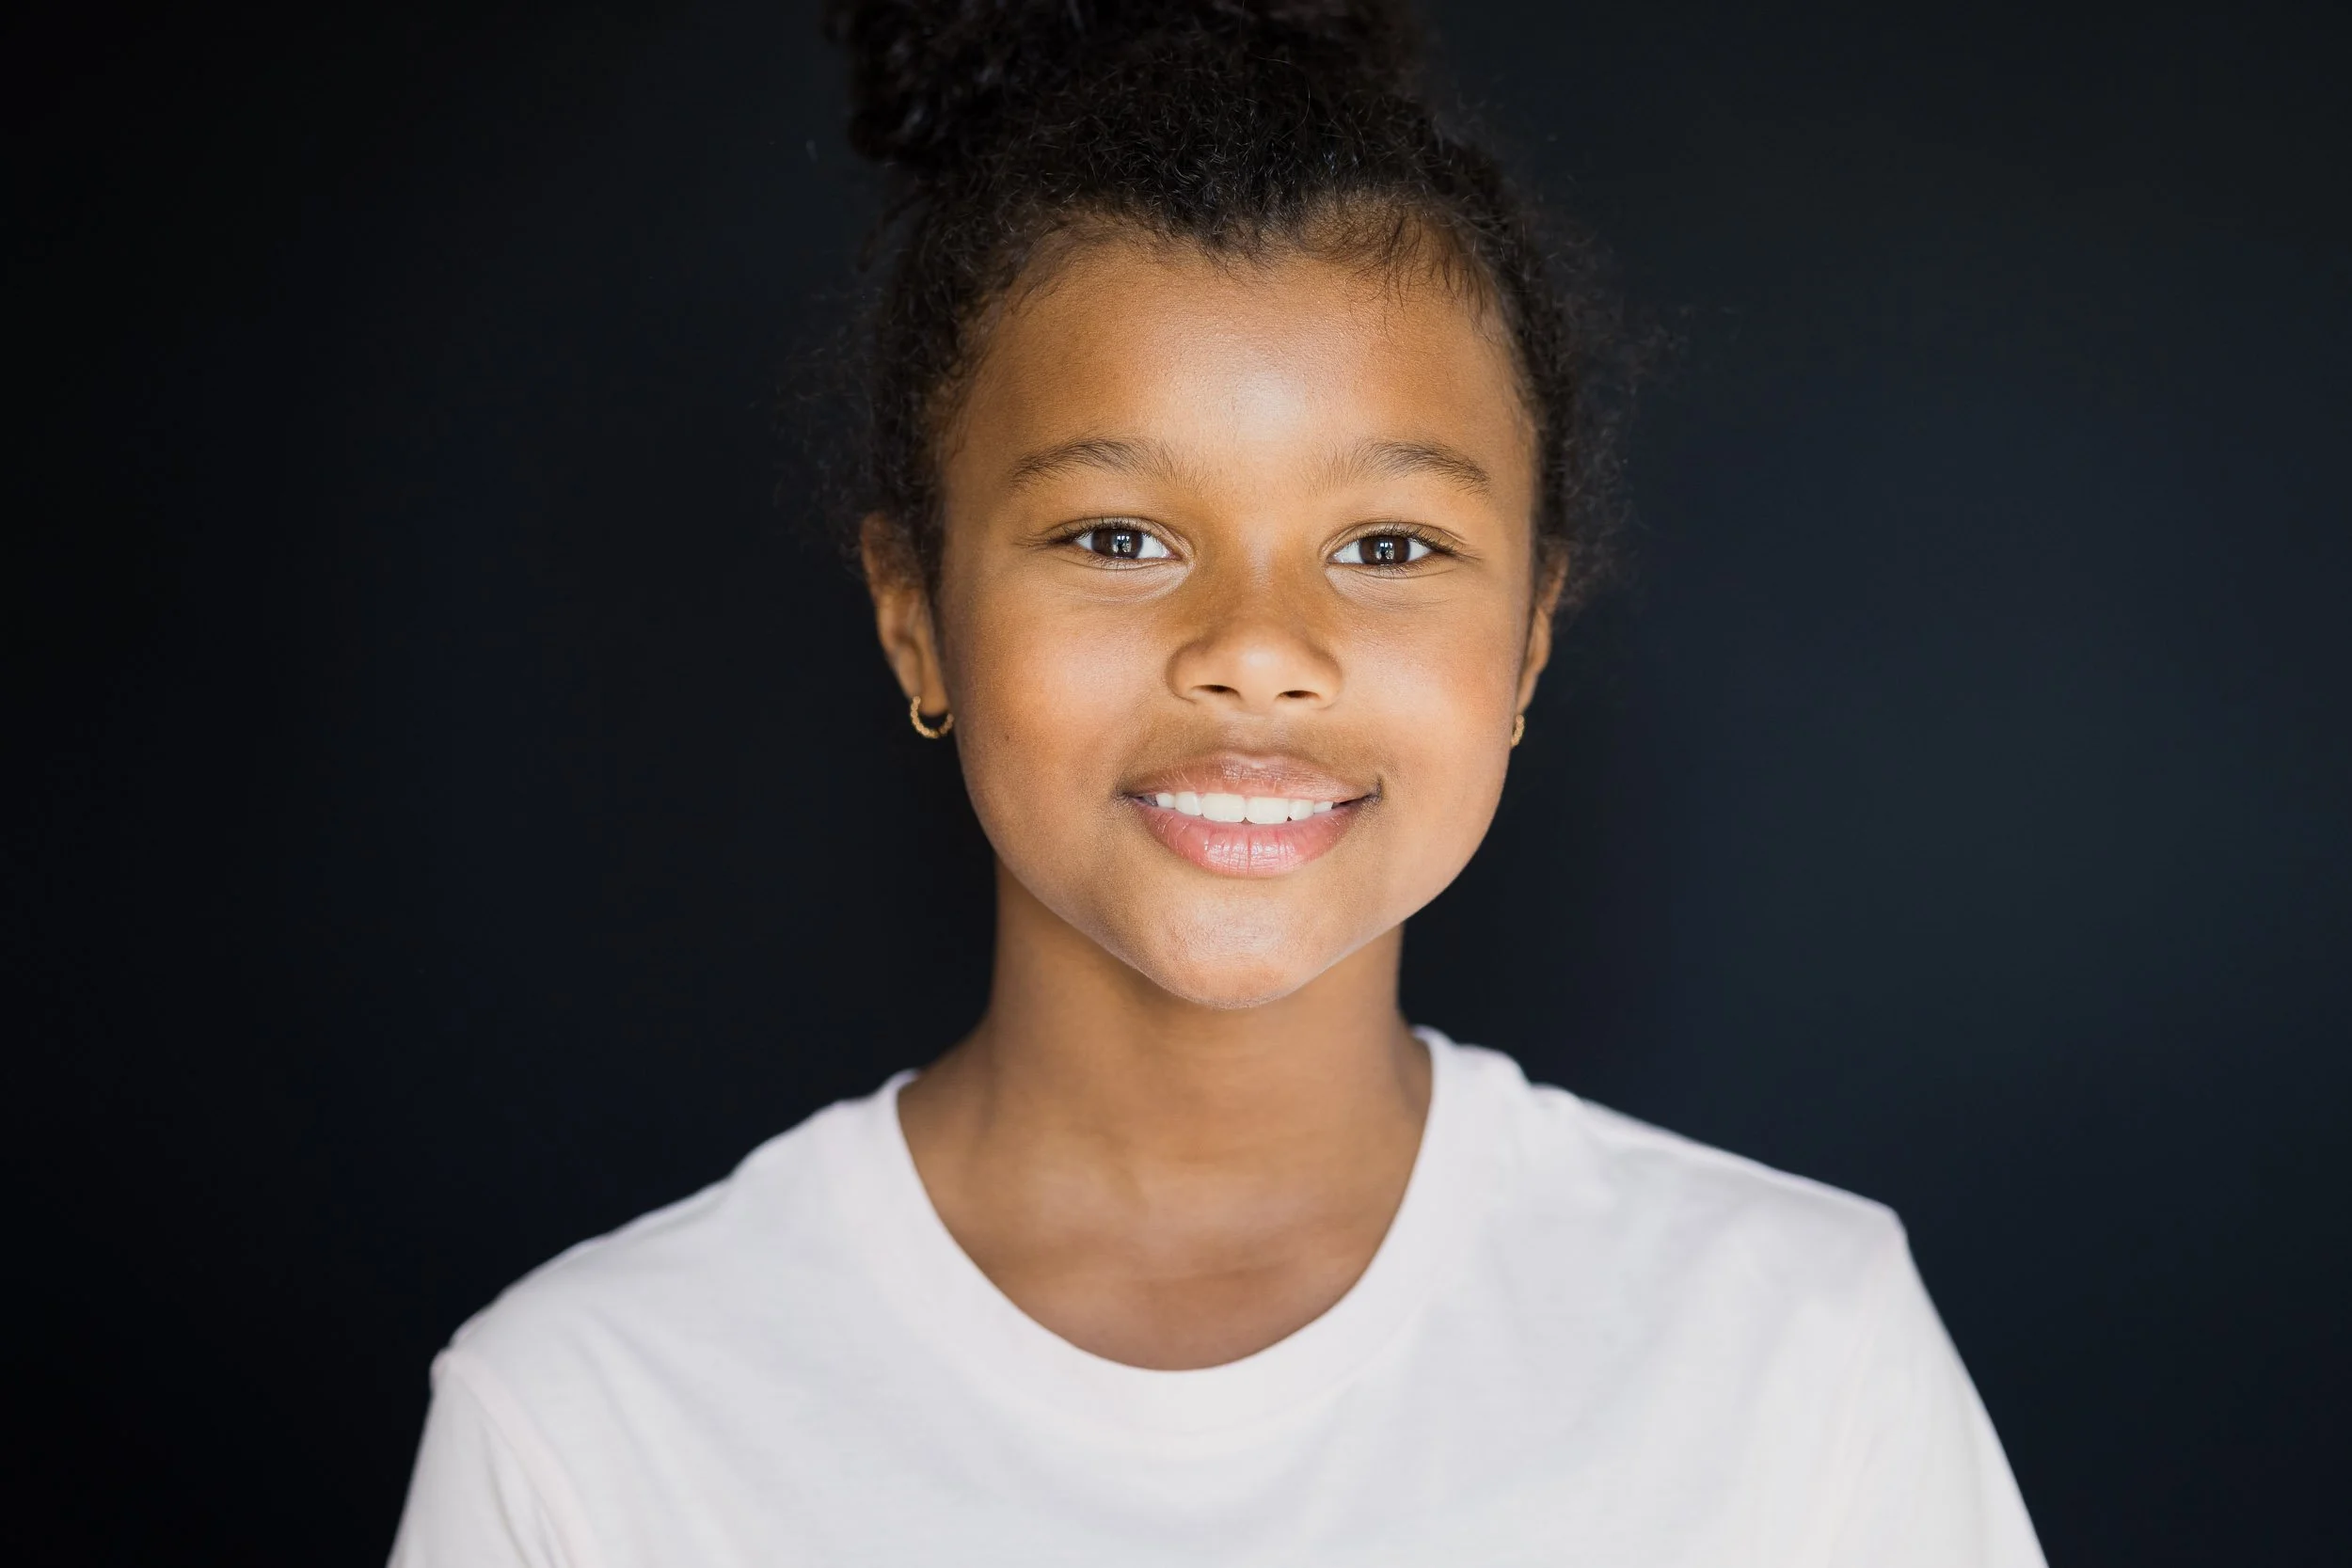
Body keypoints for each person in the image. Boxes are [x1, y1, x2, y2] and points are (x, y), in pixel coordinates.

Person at [389, 2, 2044, 1562]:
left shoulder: (1801, 1354)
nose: (1257, 648)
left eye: (1389, 545)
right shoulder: (590, 1424)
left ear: (1531, 641)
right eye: (1119, 537)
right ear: (917, 618)